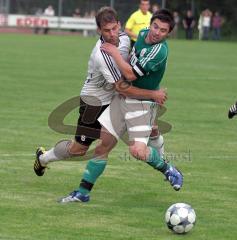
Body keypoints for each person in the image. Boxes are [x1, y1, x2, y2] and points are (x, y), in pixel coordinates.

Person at [34, 7, 167, 201]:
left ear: (119, 25)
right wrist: (153, 93)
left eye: (114, 28)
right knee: (78, 149)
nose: (112, 34)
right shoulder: (102, 54)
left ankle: (164, 164)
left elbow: (135, 60)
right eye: (106, 31)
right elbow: (123, 87)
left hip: (115, 99)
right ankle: (43, 158)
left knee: (151, 126)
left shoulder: (124, 39)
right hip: (94, 103)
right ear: (99, 30)